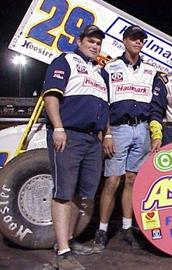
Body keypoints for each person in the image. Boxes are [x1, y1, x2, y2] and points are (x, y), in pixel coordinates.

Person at [42, 25, 108, 269]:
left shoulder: (100, 73)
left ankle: (68, 240)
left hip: (93, 139)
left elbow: (104, 108)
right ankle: (62, 252)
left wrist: (106, 134)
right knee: (63, 193)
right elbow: (51, 96)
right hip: (68, 135)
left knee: (85, 195)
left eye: (98, 43)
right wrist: (58, 128)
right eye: (90, 41)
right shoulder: (65, 60)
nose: (95, 46)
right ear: (79, 41)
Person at [93, 25, 158, 251]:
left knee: (132, 179)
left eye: (141, 39)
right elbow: (102, 103)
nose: (138, 42)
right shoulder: (110, 67)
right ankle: (101, 229)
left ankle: (127, 228)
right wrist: (107, 133)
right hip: (118, 130)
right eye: (133, 38)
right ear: (124, 40)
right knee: (112, 180)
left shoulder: (151, 71)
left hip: (142, 129)